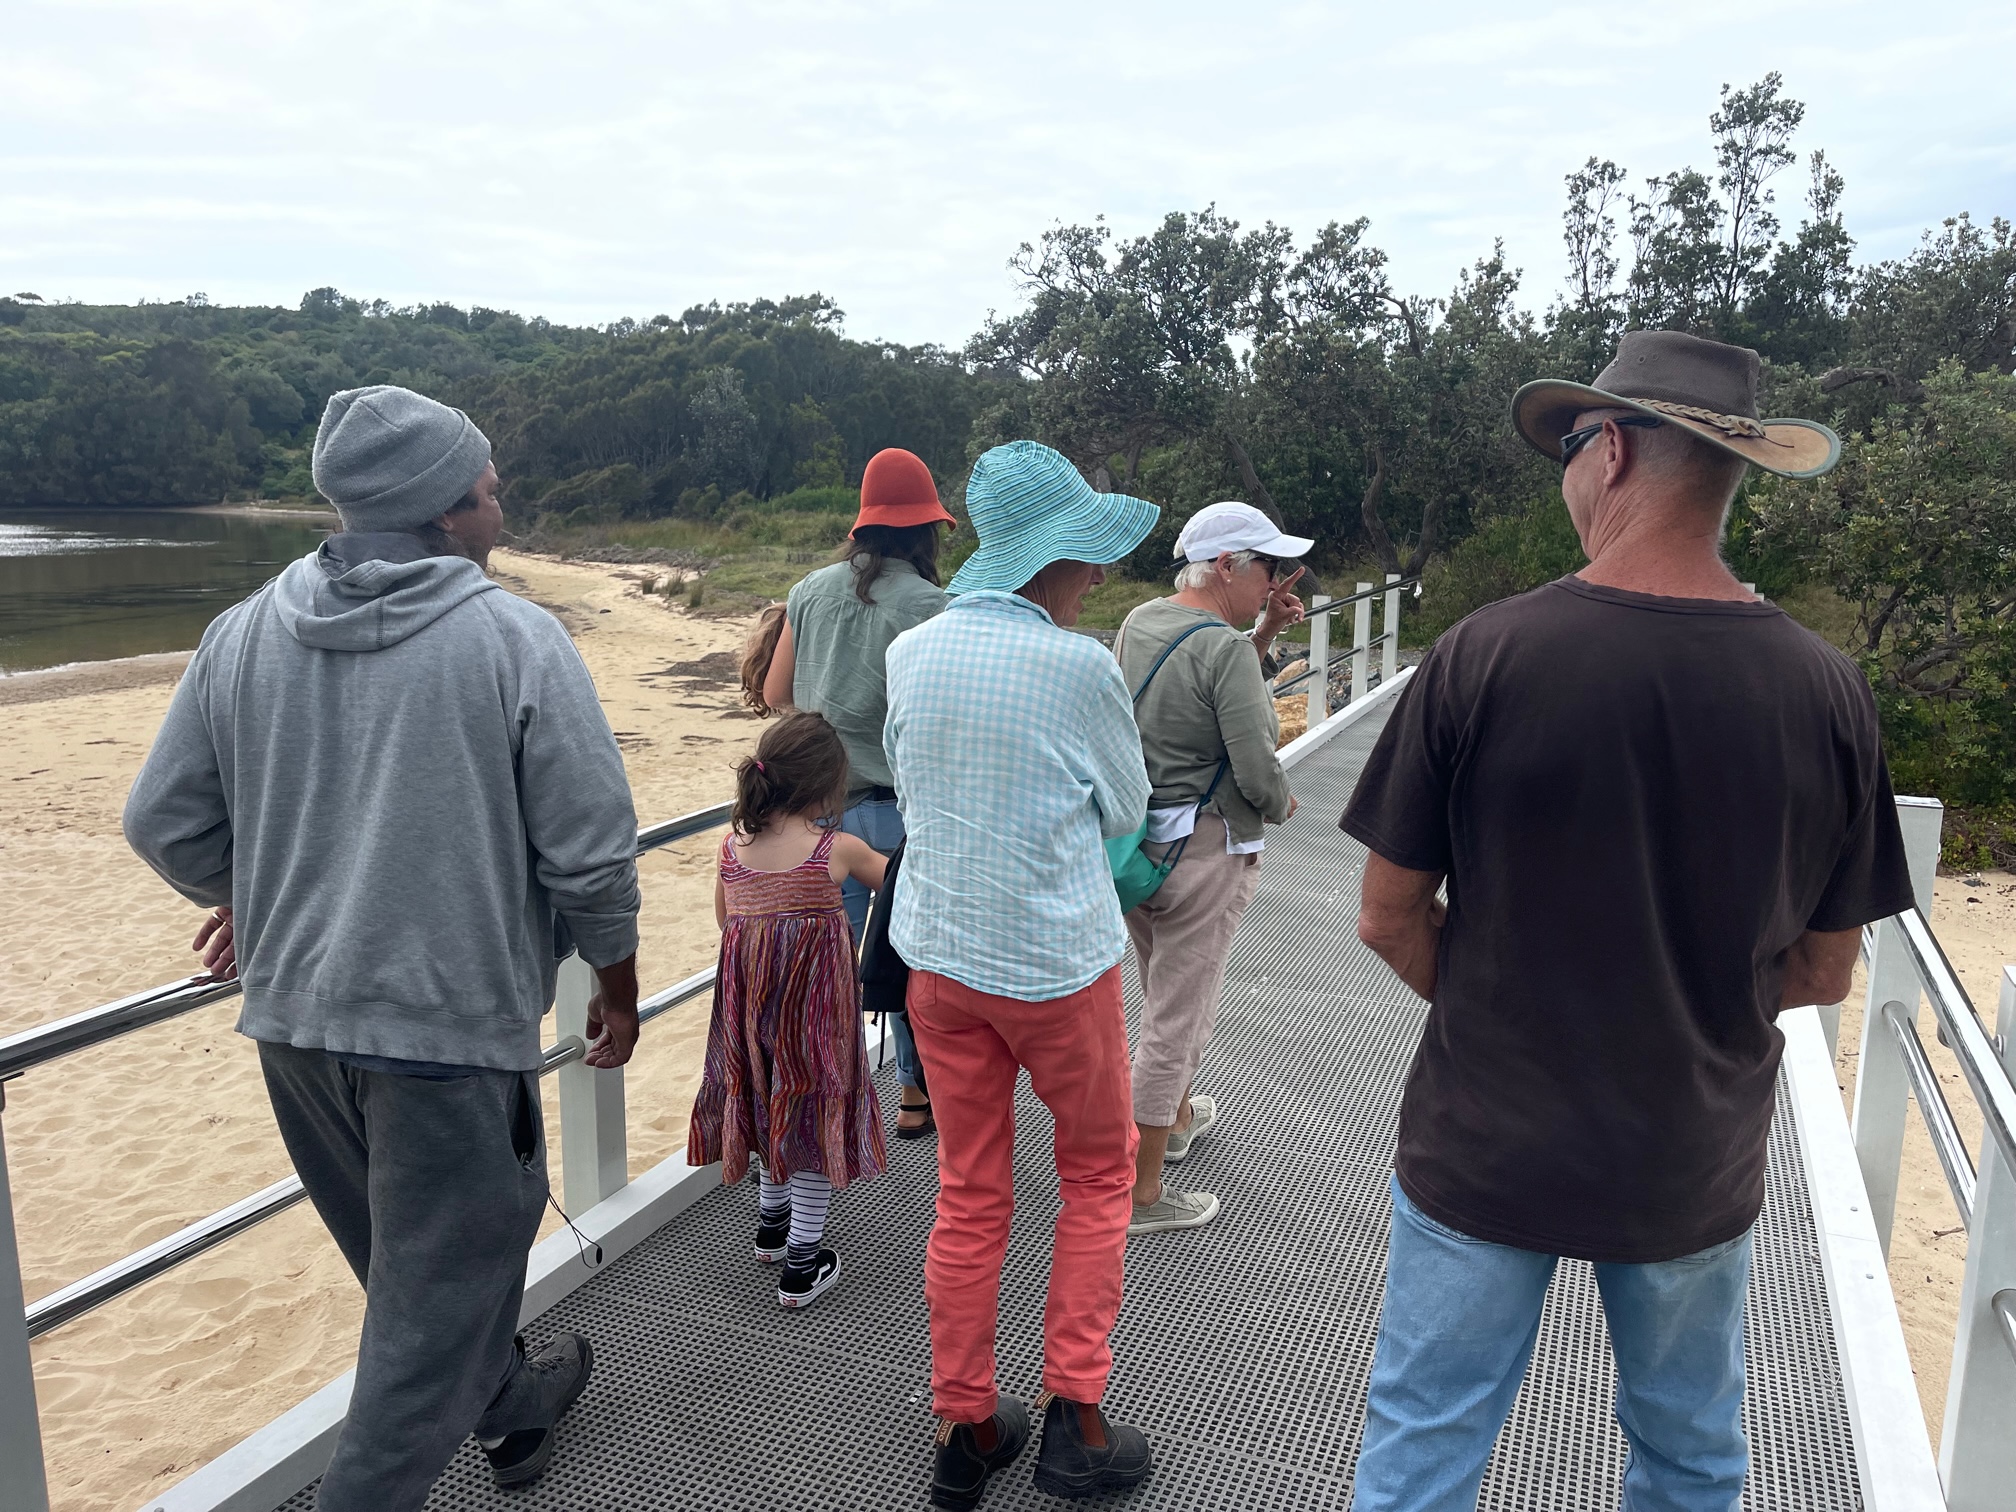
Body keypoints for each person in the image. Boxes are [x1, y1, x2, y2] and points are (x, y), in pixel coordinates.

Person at [1339, 331, 1914, 1512]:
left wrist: (1506, 1005)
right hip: (1688, 1155)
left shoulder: (1485, 654)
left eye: (1568, 443)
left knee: (1423, 1450)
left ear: (1609, 452)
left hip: (1486, 1143)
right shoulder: (1827, 690)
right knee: (1691, 1459)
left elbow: (1388, 920)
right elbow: (1823, 971)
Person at [122, 385, 643, 1509]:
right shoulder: (513, 638)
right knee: (425, 1329)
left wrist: (266, 893)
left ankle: (511, 1409)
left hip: (296, 1028)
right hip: (444, 1036)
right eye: (491, 490)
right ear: (444, 508)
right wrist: (619, 983)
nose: (503, 505)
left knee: (418, 1291)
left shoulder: (242, 631)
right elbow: (592, 853)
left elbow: (161, 822)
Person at [884, 439, 1159, 1508]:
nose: (1097, 574)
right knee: (1096, 1175)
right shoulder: (1080, 666)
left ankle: (966, 1427)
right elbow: (1126, 809)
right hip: (1056, 969)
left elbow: (912, 785)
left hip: (942, 961)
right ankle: (1076, 1421)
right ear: (1055, 560)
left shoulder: (914, 651)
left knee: (969, 1188)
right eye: (1088, 555)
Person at [1116, 501, 1308, 1236]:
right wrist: (1281, 803)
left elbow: (1184, 691)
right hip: (1206, 849)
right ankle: (1144, 1190)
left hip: (1142, 849)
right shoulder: (1223, 650)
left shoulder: (1140, 622)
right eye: (1267, 569)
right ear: (1227, 566)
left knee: (1159, 989)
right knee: (1179, 1017)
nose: (1274, 584)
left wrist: (1263, 634)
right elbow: (1256, 762)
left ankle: (1174, 1118)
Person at [763, 447, 954, 1139]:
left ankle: (820, 1103)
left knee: (826, 968)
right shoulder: (933, 605)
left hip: (818, 813)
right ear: (925, 529)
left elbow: (777, 694)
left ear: (862, 524)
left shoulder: (809, 591)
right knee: (909, 961)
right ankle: (913, 1095)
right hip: (902, 812)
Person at [686, 711, 890, 1310]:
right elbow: (900, 889)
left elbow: (726, 921)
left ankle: (772, 1226)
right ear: (828, 787)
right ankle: (803, 1262)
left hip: (748, 1009)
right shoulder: (837, 850)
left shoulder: (732, 849)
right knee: (810, 1108)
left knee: (768, 1095)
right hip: (815, 1014)